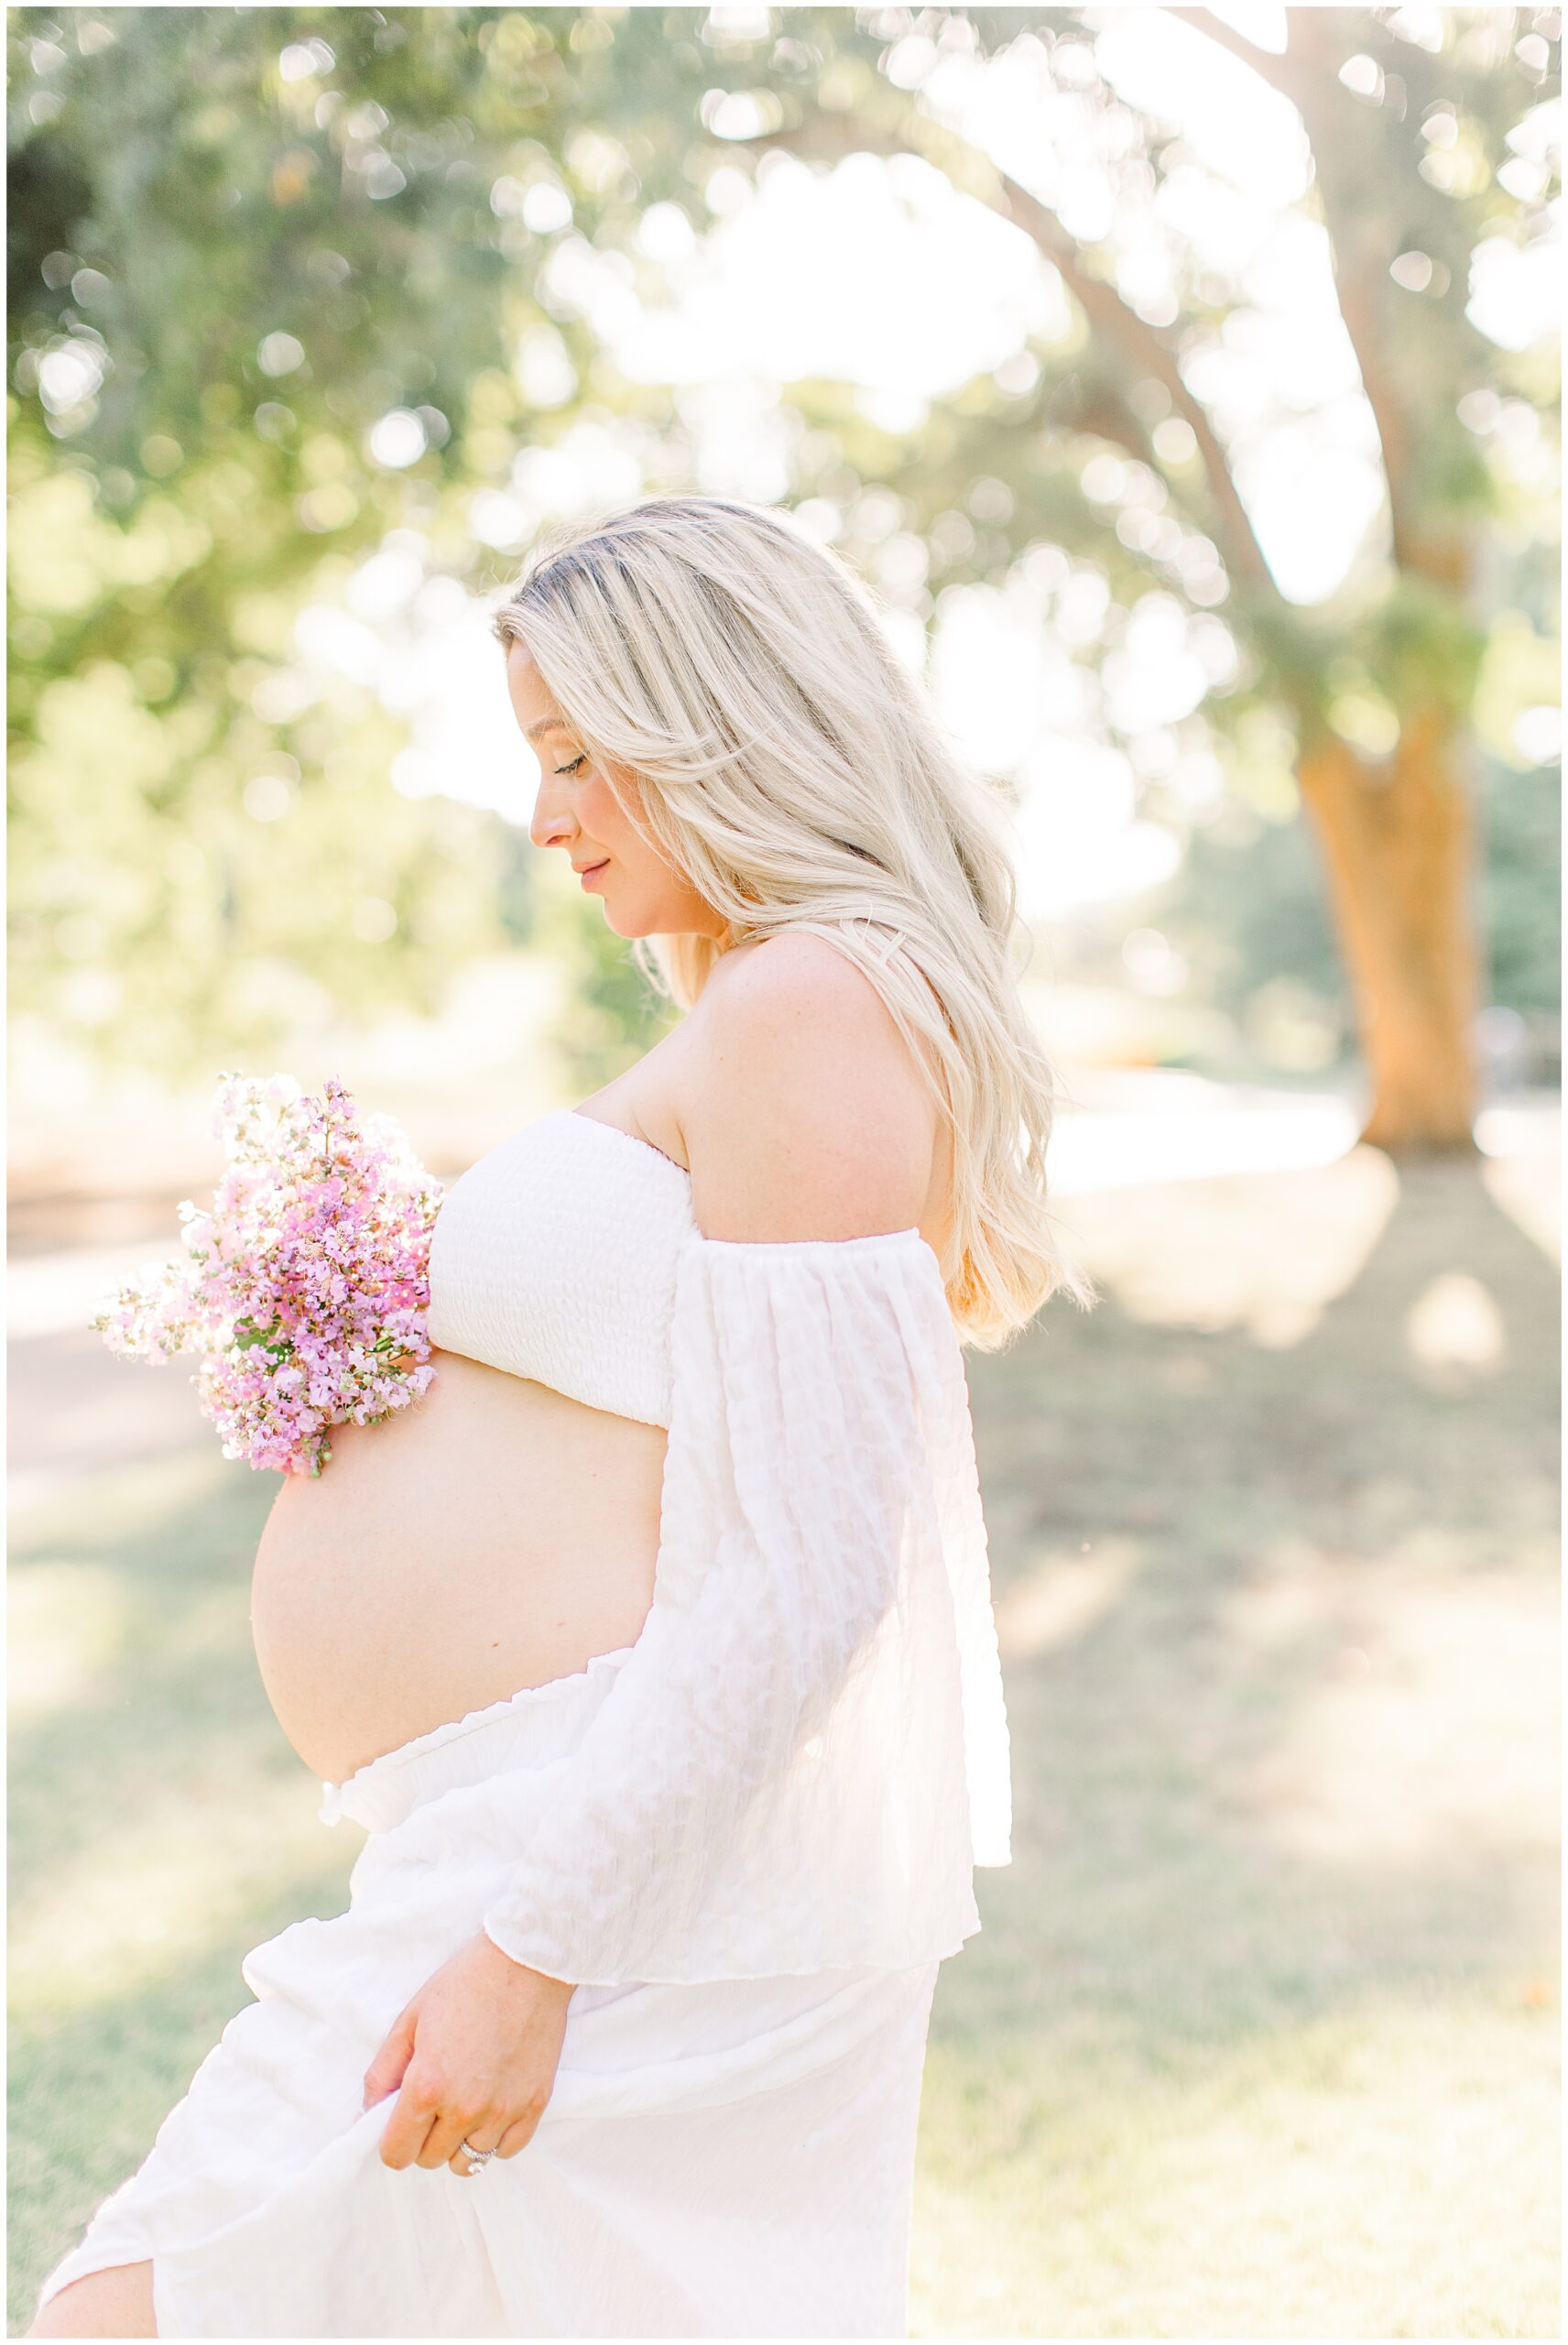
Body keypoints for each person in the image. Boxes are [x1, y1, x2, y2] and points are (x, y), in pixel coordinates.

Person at [29, 493, 1093, 2339]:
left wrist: (538, 1947)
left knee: (136, 2307)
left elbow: (813, 1564)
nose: (547, 821)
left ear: (723, 725)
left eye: (582, 757)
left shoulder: (813, 1001)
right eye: (540, 763)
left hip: (605, 1860)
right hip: (545, 1832)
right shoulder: (765, 1008)